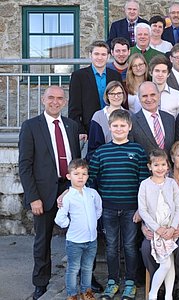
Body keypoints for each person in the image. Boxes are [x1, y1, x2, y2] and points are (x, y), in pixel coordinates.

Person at [18, 86, 81, 300]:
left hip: (70, 190)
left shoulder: (72, 126)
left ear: (65, 102)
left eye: (60, 99)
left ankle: (81, 278)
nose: (55, 102)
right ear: (43, 100)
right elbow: (25, 165)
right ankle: (40, 282)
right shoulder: (31, 126)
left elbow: (76, 162)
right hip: (43, 194)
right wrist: (33, 197)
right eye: (51, 98)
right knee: (43, 240)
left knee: (78, 237)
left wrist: (77, 189)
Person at [88, 109, 149, 300]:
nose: (119, 129)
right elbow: (91, 180)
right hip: (108, 208)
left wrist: (141, 208)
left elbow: (144, 183)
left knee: (130, 246)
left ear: (129, 127)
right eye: (115, 126)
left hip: (131, 208)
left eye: (123, 125)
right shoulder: (101, 152)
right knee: (112, 246)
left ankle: (130, 282)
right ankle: (112, 282)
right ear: (110, 127)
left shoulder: (138, 151)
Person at [141, 141, 179, 300]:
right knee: (146, 246)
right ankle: (159, 284)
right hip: (160, 226)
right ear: (172, 158)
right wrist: (144, 226)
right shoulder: (160, 177)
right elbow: (147, 206)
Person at [55, 159, 102, 300]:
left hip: (91, 239)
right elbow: (59, 218)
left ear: (88, 176)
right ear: (69, 176)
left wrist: (92, 221)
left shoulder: (92, 193)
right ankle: (72, 294)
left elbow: (98, 209)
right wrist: (70, 223)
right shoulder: (68, 197)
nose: (80, 177)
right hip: (75, 241)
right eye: (76, 174)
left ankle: (86, 292)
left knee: (87, 268)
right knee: (73, 269)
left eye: (84, 174)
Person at [138, 149, 179, 300]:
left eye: (163, 164)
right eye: (156, 165)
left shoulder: (171, 183)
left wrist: (173, 227)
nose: (160, 168)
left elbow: (177, 207)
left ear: (168, 166)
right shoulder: (145, 185)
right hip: (156, 230)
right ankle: (153, 293)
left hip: (170, 229)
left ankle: (168, 295)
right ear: (150, 166)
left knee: (170, 262)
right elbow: (142, 210)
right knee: (166, 264)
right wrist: (157, 229)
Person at [69, 40, 122, 137]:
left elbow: (120, 101)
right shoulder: (79, 76)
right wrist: (80, 130)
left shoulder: (115, 75)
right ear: (90, 55)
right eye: (96, 54)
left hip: (115, 127)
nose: (100, 57)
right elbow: (74, 107)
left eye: (103, 54)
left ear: (108, 56)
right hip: (89, 129)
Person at [129, 81, 176, 156]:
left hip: (168, 167)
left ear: (159, 95)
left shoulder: (170, 119)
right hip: (144, 167)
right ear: (139, 98)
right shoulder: (132, 121)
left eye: (152, 94)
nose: (149, 99)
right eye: (144, 96)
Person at [87, 81, 129, 160]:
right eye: (112, 94)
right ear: (107, 96)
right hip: (104, 161)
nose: (116, 97)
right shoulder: (98, 116)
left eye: (119, 93)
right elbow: (93, 147)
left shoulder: (130, 115)